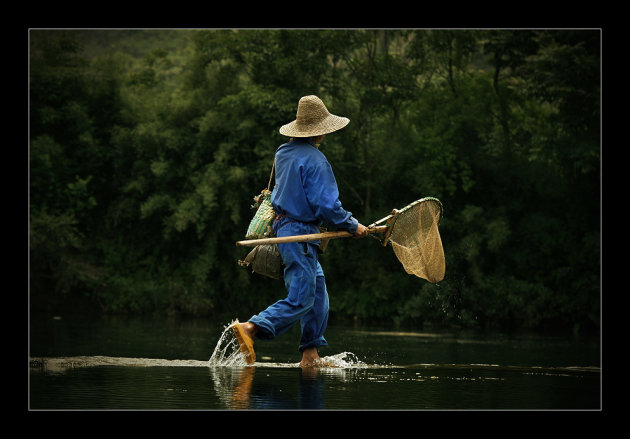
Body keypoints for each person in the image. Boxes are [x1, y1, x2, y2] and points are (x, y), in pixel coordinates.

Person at [233, 95, 369, 367]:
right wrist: (354, 226)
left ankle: (310, 354)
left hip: (285, 228)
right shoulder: (317, 161)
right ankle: (252, 327)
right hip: (300, 234)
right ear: (320, 131)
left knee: (317, 295)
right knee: (302, 298)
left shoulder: (283, 152)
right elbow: (327, 206)